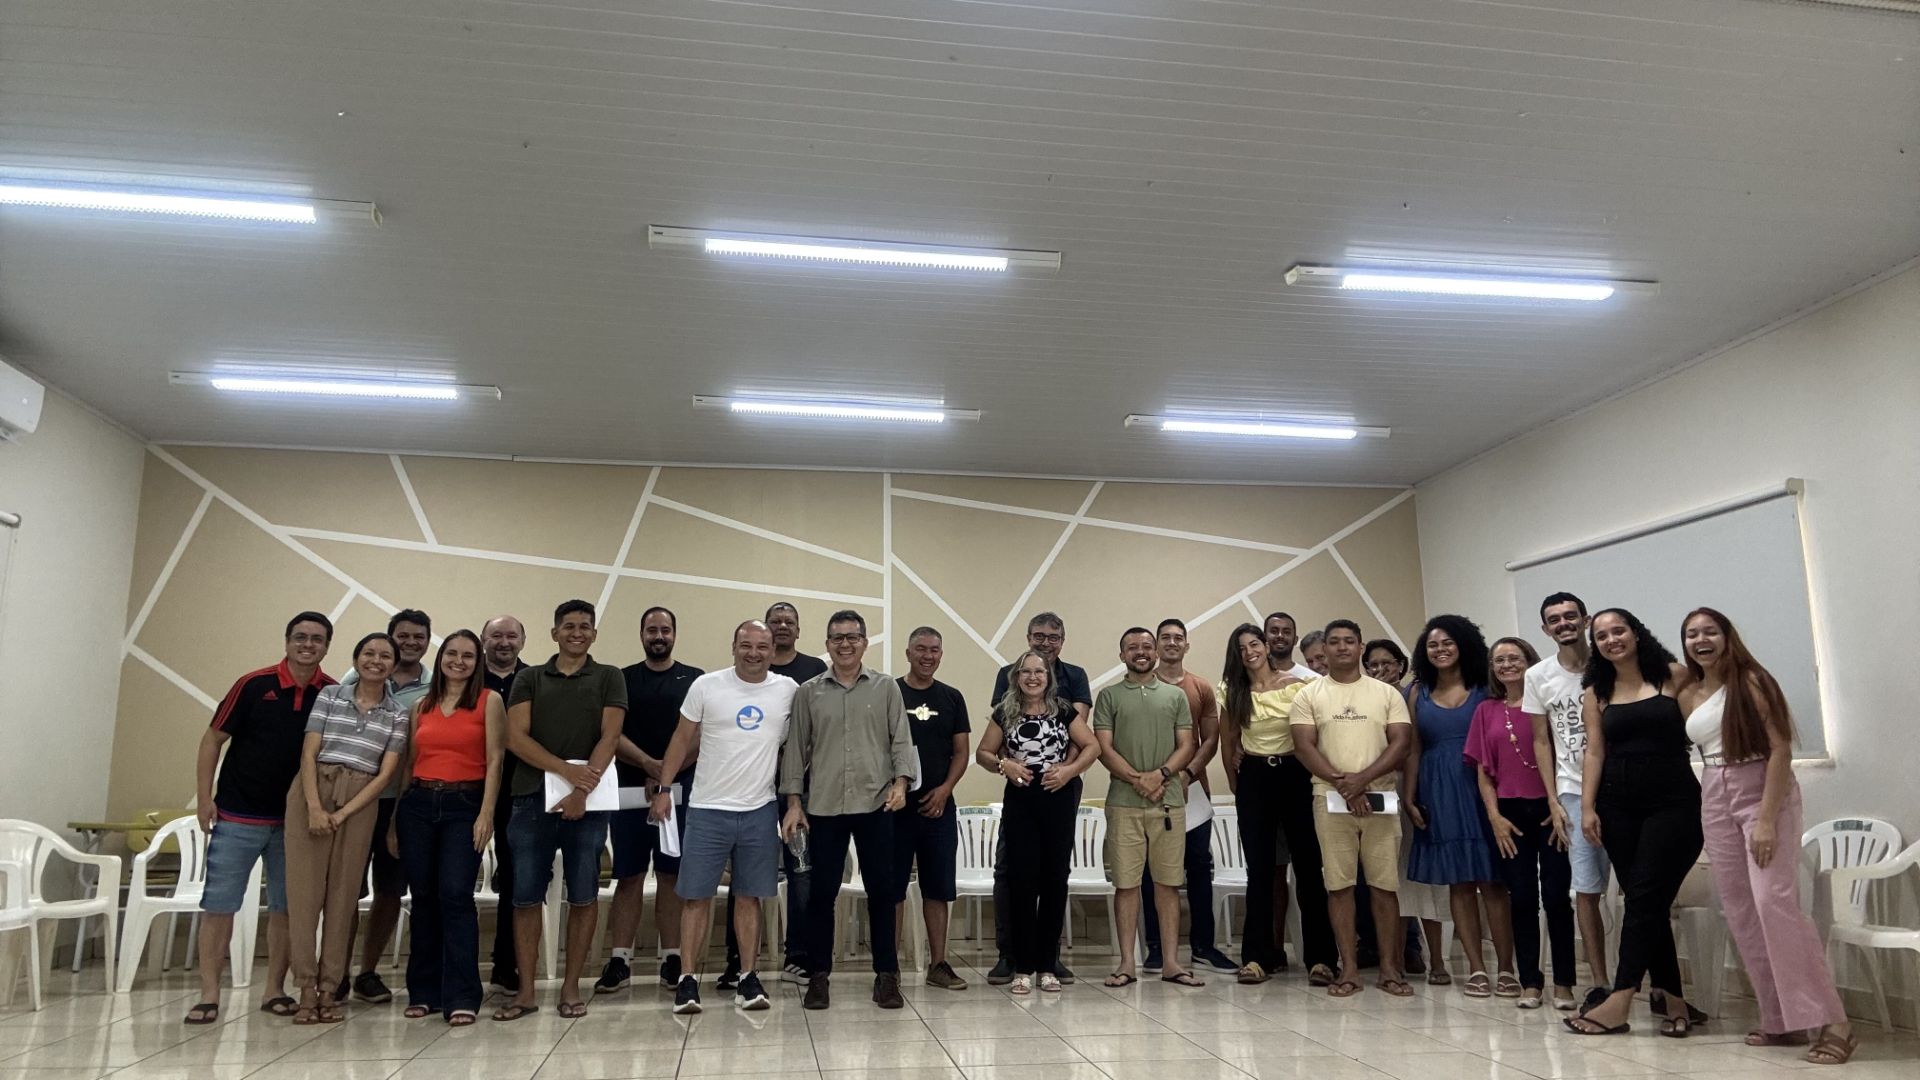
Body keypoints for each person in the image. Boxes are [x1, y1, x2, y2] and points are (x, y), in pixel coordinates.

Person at [1680, 608, 1854, 1065]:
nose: (1701, 639)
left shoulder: (1753, 681)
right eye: (1692, 634)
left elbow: (1780, 749)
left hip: (1761, 789)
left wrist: (1766, 820)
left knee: (1774, 904)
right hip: (1714, 792)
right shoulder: (1689, 691)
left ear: (1727, 636)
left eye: (1710, 631)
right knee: (1740, 910)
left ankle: (1833, 1021)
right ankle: (1780, 1018)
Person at [185, 612, 337, 1025]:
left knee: (287, 909)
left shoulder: (332, 694)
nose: (308, 645)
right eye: (301, 637)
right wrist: (204, 798)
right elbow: (213, 739)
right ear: (287, 641)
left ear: (326, 647)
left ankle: (275, 990)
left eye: (317, 639)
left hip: (295, 824)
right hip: (238, 815)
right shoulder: (252, 685)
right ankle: (209, 994)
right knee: (220, 905)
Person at [1563, 609, 1702, 1038]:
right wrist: (1587, 808)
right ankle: (1674, 1001)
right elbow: (1594, 752)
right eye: (1602, 635)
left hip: (1673, 802)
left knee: (1643, 898)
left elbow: (1704, 726)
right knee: (1647, 901)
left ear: (1636, 633)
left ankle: (1621, 997)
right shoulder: (1596, 691)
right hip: (1616, 806)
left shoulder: (1674, 675)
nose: (1611, 640)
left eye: (1618, 630)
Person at [654, 621, 796, 1015]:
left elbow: (800, 742)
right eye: (746, 645)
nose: (754, 653)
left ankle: (748, 978)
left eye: (762, 646)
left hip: (759, 810)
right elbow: (681, 739)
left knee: (749, 897)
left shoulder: (788, 690)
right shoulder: (706, 686)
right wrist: (664, 789)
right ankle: (687, 980)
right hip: (707, 809)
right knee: (696, 898)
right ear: (733, 647)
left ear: (773, 650)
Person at [495, 600, 626, 1022]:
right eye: (568, 626)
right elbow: (515, 738)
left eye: (585, 626)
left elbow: (610, 737)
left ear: (594, 634)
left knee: (584, 895)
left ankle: (571, 988)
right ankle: (526, 992)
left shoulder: (609, 677)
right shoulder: (529, 677)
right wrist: (566, 771)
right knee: (525, 897)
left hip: (589, 803)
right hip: (530, 800)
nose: (576, 633)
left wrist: (581, 790)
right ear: (554, 633)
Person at [781, 610, 915, 1011]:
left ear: (864, 643)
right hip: (823, 807)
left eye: (852, 637)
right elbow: (795, 749)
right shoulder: (808, 692)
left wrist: (901, 783)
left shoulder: (886, 688)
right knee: (821, 895)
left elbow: (900, 741)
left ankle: (886, 976)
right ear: (827, 644)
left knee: (882, 893)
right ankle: (818, 977)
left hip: (876, 804)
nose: (845, 644)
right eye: (837, 638)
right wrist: (793, 803)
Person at [286, 633, 409, 1024]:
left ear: (394, 665)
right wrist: (315, 807)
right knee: (304, 898)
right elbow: (308, 753)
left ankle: (329, 988)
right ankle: (305, 988)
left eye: (385, 656)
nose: (376, 660)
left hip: (361, 800)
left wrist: (343, 814)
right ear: (356, 659)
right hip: (313, 790)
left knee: (343, 898)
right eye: (368, 653)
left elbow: (385, 774)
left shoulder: (398, 714)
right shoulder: (329, 696)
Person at [1289, 619, 1413, 998]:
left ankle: (1390, 969)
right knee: (1339, 886)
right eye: (1334, 642)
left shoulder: (1386, 694)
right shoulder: (1308, 695)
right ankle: (1350, 970)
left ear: (1361, 648)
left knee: (1384, 886)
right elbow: (1303, 746)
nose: (1342, 647)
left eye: (1349, 641)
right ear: (1323, 650)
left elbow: (1401, 743)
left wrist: (1362, 780)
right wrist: (1344, 783)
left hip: (1380, 799)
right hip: (1330, 800)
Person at [392, 629, 503, 1026]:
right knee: (423, 897)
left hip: (464, 806)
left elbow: (496, 760)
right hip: (418, 806)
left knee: (455, 895)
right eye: (451, 653)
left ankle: (462, 995)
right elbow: (409, 765)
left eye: (468, 655)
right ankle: (424, 991)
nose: (459, 661)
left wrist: (486, 813)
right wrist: (394, 823)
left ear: (478, 662)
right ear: (440, 659)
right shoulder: (421, 706)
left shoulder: (490, 701)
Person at [1404, 615, 1516, 999]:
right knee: (1460, 882)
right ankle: (1476, 968)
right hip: (1438, 790)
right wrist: (1410, 795)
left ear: (1464, 644)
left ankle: (1507, 968)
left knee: (1493, 882)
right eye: (1433, 644)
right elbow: (1413, 748)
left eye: (1448, 642)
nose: (1440, 650)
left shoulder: (1487, 686)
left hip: (1483, 787)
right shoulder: (1417, 692)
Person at [975, 651, 1100, 995]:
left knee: (1055, 880)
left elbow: (1092, 746)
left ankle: (1047, 965)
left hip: (1057, 798)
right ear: (1016, 677)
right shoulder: (1005, 712)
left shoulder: (1063, 710)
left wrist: (1070, 771)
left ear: (1048, 677)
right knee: (1021, 882)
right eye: (1026, 672)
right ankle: (1023, 967)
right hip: (1021, 801)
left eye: (1039, 672)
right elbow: (983, 753)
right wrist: (1005, 765)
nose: (1033, 677)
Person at [597, 607, 703, 994]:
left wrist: (665, 777)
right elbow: (611, 733)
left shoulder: (696, 679)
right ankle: (620, 960)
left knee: (672, 876)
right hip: (629, 793)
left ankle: (672, 957)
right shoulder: (621, 679)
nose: (659, 636)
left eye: (665, 629)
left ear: (675, 634)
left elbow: (698, 735)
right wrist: (648, 764)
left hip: (679, 794)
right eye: (652, 629)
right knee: (629, 877)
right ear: (641, 634)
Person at [1217, 623, 1330, 986]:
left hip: (1296, 774)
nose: (1249, 652)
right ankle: (1256, 958)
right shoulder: (1233, 690)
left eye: (1254, 644)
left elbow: (1315, 734)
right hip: (1254, 777)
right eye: (1241, 648)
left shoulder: (1300, 685)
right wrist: (1237, 785)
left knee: (1309, 868)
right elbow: (1228, 741)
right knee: (1261, 870)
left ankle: (1320, 959)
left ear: (1266, 646)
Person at [1466, 637, 1575, 1010]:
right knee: (1523, 897)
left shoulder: (1546, 704)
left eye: (1515, 658)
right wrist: (1494, 817)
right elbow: (1484, 773)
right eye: (1499, 660)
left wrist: (1557, 803)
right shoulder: (1486, 711)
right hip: (1509, 814)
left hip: (1550, 809)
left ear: (1531, 662)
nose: (1507, 665)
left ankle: (1565, 983)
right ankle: (1530, 981)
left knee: (1557, 897)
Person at [1094, 628, 1202, 989]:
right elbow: (1104, 748)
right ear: (1121, 655)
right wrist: (1137, 779)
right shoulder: (1108, 696)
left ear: (1155, 652)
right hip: (1123, 803)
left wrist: (1161, 775)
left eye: (1146, 646)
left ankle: (1171, 963)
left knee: (1168, 884)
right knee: (1126, 886)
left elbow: (1187, 744)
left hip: (1168, 802)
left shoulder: (1175, 695)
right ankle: (1127, 963)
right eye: (1132, 648)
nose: (1140, 652)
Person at [344, 609, 435, 1006]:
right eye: (403, 635)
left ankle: (367, 972)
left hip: (401, 805)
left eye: (419, 636)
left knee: (390, 890)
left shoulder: (434, 688)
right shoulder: (353, 682)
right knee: (346, 890)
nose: (410, 642)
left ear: (428, 641)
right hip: (354, 802)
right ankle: (337, 970)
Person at [1140, 618, 1237, 974]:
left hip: (1192, 792)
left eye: (1178, 638)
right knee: (1152, 871)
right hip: (1151, 791)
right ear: (1155, 645)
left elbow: (1210, 739)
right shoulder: (1141, 686)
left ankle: (1203, 947)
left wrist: (1188, 773)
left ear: (1186, 645)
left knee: (1198, 867)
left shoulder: (1200, 687)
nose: (1171, 643)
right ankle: (1156, 948)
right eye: (1164, 637)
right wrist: (1153, 778)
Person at [740, 600, 828, 990]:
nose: (782, 626)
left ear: (798, 629)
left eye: (789, 621)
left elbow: (821, 728)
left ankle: (799, 956)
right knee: (746, 872)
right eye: (775, 621)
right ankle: (739, 961)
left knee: (801, 872)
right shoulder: (749, 670)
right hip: (752, 790)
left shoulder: (814, 671)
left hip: (802, 793)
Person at [1525, 593, 1611, 990]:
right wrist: (1553, 798)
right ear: (1546, 629)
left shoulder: (1609, 664)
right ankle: (1600, 983)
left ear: (1585, 619)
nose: (1564, 623)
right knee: (1586, 891)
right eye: (1555, 619)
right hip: (1573, 792)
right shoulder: (1538, 676)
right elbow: (1541, 740)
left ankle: (1649, 983)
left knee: (1638, 888)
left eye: (1570, 616)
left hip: (1620, 788)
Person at [892, 627, 972, 990]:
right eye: (921, 649)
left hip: (939, 807)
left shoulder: (952, 697)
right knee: (892, 888)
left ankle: (938, 964)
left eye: (934, 650)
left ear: (941, 654)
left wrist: (945, 790)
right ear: (908, 653)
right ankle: (889, 967)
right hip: (895, 807)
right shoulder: (890, 692)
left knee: (937, 888)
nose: (927, 656)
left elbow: (962, 752)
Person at [1364, 637, 1432, 978]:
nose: (1380, 670)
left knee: (1409, 870)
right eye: (1373, 665)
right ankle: (1389, 952)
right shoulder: (1364, 700)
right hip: (1376, 789)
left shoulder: (1413, 696)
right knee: (1386, 873)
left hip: (1412, 787)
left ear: (1401, 666)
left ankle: (1412, 948)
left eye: (1387, 663)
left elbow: (1415, 745)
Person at [479, 615, 528, 996]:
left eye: (511, 636)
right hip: (469, 789)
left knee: (515, 878)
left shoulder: (533, 680)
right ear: (484, 640)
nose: (504, 642)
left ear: (522, 642)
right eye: (496, 635)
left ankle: (506, 964)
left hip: (518, 792)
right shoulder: (465, 678)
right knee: (456, 879)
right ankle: (456, 966)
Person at [1264, 612, 1318, 680]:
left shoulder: (1313, 679)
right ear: (1263, 637)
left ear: (1295, 640)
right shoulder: (1252, 678)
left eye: (1286, 632)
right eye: (1274, 631)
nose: (1280, 636)